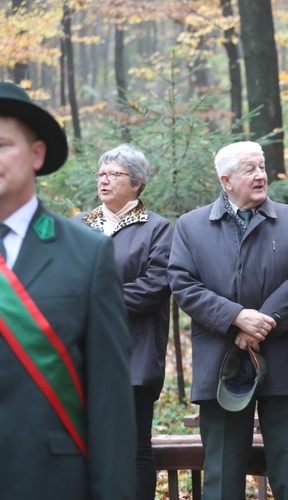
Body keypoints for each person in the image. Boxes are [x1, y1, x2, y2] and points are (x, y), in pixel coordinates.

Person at [0, 82, 135, 497]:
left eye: (2, 144)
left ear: (36, 154)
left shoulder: (88, 254)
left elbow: (110, 403)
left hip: (48, 481)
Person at [168, 141, 288, 500]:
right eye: (250, 169)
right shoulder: (191, 226)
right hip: (221, 361)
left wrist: (261, 323)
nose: (261, 175)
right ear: (226, 179)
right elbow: (183, 283)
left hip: (283, 358)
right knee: (220, 470)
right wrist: (235, 317)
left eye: (262, 167)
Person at [71, 144, 172, 499]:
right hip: (82, 358)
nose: (105, 180)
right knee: (81, 449)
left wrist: (92, 298)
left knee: (134, 452)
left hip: (135, 357)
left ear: (138, 182)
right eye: (101, 173)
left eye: (114, 174)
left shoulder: (157, 229)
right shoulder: (76, 226)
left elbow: (153, 288)